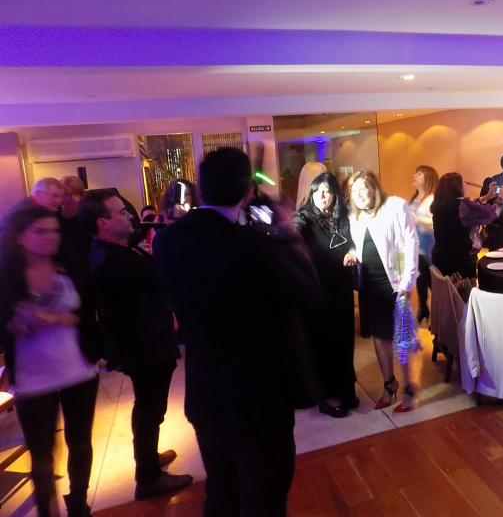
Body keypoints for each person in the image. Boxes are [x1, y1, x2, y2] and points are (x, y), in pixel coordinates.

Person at [154, 148, 320, 516]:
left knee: (221, 492)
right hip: (260, 395)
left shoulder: (167, 241)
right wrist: (289, 234)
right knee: (265, 498)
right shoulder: (256, 245)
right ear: (247, 191)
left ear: (200, 188)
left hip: (207, 388)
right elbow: (309, 294)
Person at [82, 190, 192, 500]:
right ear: (102, 223)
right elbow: (157, 279)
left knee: (148, 407)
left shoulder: (112, 251)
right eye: (120, 212)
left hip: (145, 341)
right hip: (144, 345)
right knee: (149, 408)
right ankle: (148, 477)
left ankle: (148, 458)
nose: (129, 215)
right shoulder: (111, 261)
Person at [0, 205, 100, 517]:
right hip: (33, 376)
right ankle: (48, 511)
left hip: (78, 369)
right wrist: (15, 325)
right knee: (42, 455)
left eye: (54, 230)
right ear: (19, 237)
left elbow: (89, 313)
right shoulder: (6, 278)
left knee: (80, 442)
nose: (51, 237)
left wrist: (60, 318)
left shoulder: (69, 266)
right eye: (40, 231)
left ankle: (78, 503)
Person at [344, 171, 419, 412]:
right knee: (378, 335)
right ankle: (389, 384)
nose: (358, 195)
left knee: (401, 336)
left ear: (373, 187)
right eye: (354, 191)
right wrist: (352, 253)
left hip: (395, 284)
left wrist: (408, 282)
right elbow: (358, 244)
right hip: (369, 285)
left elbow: (411, 242)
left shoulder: (395, 206)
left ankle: (409, 387)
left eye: (362, 188)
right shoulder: (354, 217)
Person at [294, 172, 358, 418]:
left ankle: (345, 387)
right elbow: (295, 229)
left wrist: (353, 250)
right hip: (318, 290)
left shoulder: (343, 216)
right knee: (323, 342)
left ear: (335, 195)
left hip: (342, 288)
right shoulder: (306, 217)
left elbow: (354, 239)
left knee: (344, 338)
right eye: (317, 191)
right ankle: (325, 395)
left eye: (327, 191)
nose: (322, 195)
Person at [431, 172, 503, 279]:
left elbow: (470, 211)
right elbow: (491, 213)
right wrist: (501, 198)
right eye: (463, 183)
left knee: (445, 288)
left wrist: (486, 197)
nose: (465, 185)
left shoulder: (440, 205)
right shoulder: (463, 206)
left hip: (440, 258)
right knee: (463, 289)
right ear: (456, 187)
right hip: (460, 261)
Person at [409, 165, 438, 321]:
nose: (415, 176)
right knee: (419, 279)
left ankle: (439, 313)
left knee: (432, 282)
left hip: (429, 248)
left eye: (419, 174)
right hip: (417, 247)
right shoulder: (415, 198)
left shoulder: (432, 199)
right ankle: (423, 308)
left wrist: (417, 219)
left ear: (428, 178)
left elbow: (436, 223)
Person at [59, 175, 92, 258]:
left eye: (64, 194)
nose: (59, 198)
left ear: (76, 195)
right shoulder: (57, 213)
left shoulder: (86, 216)